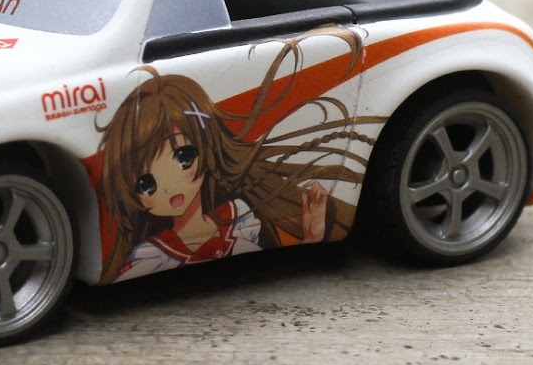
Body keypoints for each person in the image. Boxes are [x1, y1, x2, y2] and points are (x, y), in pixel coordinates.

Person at [96, 30, 380, 283]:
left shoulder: (239, 217)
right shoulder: (149, 254)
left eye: (184, 157)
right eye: (146, 184)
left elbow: (290, 262)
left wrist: (312, 234)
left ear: (207, 146)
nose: (169, 188)